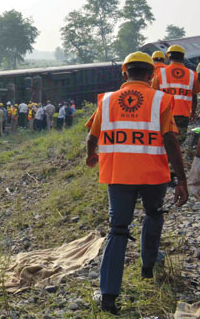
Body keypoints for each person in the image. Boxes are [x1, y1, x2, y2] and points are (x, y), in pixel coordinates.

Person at [85, 51, 188, 314]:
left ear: (124, 72)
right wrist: (181, 180)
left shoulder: (106, 101)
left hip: (118, 176)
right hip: (153, 175)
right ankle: (147, 267)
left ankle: (108, 296)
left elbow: (91, 138)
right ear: (152, 73)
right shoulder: (161, 100)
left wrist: (90, 156)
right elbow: (171, 141)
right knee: (154, 215)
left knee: (117, 229)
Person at [152, 45, 199, 146]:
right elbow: (194, 96)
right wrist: (193, 113)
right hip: (183, 113)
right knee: (178, 142)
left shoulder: (160, 73)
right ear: (183, 57)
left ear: (168, 57)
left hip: (164, 113)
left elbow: (154, 95)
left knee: (163, 141)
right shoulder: (192, 74)